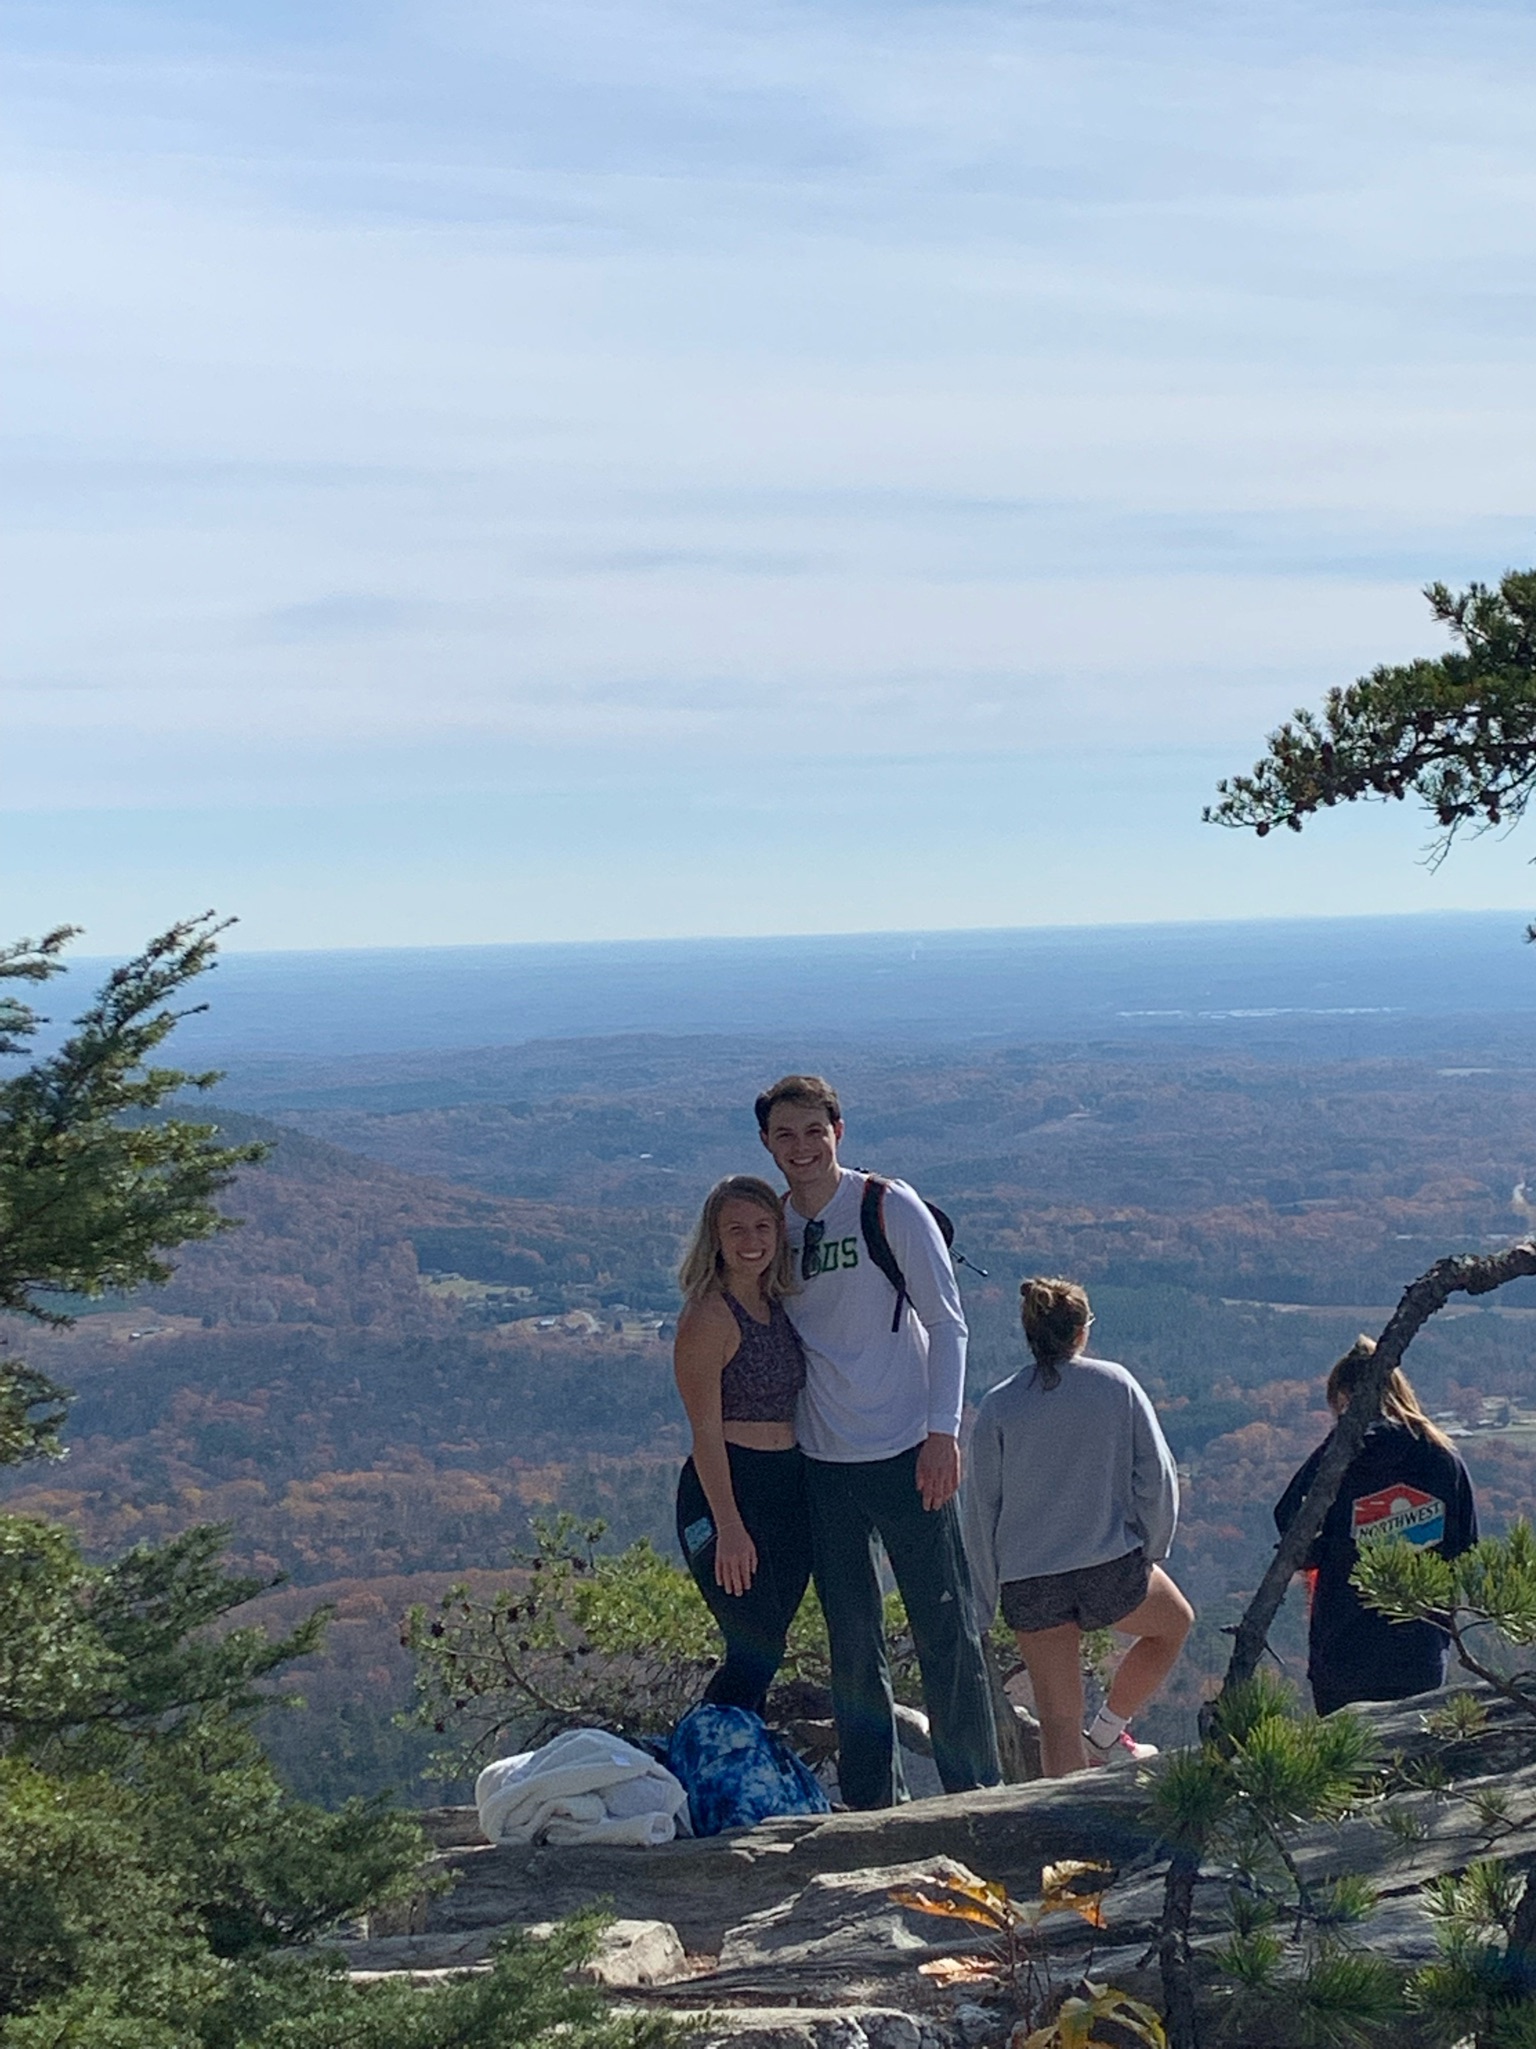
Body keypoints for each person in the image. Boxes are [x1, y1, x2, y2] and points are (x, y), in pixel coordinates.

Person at [755, 1074, 1000, 1808]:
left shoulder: (886, 1207)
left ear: (839, 1130)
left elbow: (949, 1323)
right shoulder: (772, 1228)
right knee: (853, 1644)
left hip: (907, 1450)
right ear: (766, 1143)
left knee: (945, 1630)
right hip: (824, 1460)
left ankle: (974, 1793)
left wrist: (942, 1433)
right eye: (785, 1134)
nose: (801, 1147)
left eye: (814, 1131)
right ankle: (872, 1805)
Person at [963, 1277, 1191, 1777]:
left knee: (1058, 1723)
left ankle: (1064, 1820)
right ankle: (1108, 1731)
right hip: (1109, 1565)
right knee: (1174, 1624)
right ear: (1082, 1331)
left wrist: (981, 1603)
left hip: (1030, 1580)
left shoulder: (1000, 1405)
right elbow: (1157, 1475)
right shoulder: (1115, 1385)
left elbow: (979, 1508)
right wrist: (1153, 1546)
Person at [1274, 1337, 1478, 1716]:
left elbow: (1289, 1519)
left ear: (1344, 1398)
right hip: (1419, 1647)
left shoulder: (1339, 1457)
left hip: (1343, 1646)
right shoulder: (1442, 1458)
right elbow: (1465, 1546)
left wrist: (1329, 1553)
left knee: (1346, 1753)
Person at [673, 1175, 815, 1717]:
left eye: (762, 1227)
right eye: (736, 1230)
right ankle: (703, 1746)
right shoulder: (708, 1316)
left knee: (769, 1640)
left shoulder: (778, 1306)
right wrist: (729, 1527)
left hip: (787, 1487)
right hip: (727, 1488)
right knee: (756, 1648)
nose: (751, 1241)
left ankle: (740, 1749)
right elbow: (705, 1432)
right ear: (715, 1237)